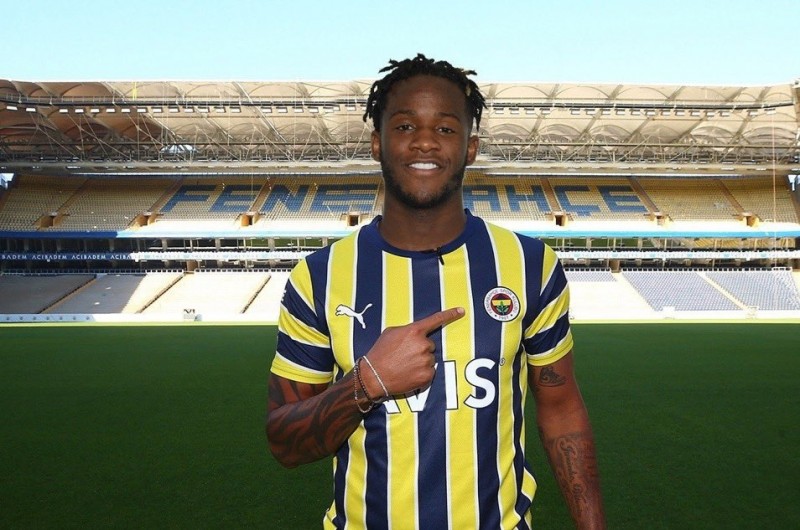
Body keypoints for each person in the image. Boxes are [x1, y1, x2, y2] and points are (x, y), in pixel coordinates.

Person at [266, 53, 606, 530]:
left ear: (470, 147)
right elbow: (284, 443)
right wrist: (367, 383)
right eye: (405, 126)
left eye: (445, 128)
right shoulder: (318, 277)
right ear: (377, 143)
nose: (425, 141)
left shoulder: (530, 264)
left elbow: (561, 406)